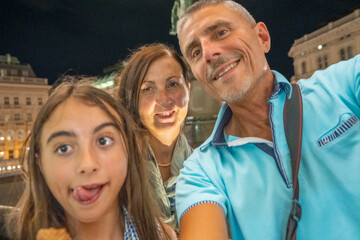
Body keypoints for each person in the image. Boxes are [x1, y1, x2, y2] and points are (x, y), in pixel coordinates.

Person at [175, 0, 360, 239]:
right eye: (196, 52)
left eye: (221, 32)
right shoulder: (201, 171)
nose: (209, 53)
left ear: (262, 37)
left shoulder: (342, 87)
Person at [5, 79, 175, 240]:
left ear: (128, 151)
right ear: (40, 165)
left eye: (103, 141)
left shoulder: (162, 236)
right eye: (64, 148)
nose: (87, 164)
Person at [117, 43, 192, 230]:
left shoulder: (204, 165)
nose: (165, 99)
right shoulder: (119, 170)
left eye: (173, 84)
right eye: (148, 89)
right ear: (132, 100)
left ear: (188, 90)